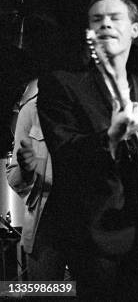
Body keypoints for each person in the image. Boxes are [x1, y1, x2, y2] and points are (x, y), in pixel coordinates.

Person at [36, 0, 138, 298]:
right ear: (89, 34)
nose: (105, 24)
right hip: (91, 228)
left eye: (114, 17)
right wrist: (112, 136)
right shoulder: (61, 84)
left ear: (134, 30)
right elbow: (67, 155)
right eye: (97, 19)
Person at [7, 79, 70, 280]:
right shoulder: (29, 112)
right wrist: (26, 169)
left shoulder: (91, 106)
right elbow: (13, 176)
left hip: (89, 226)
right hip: (45, 226)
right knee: (46, 292)